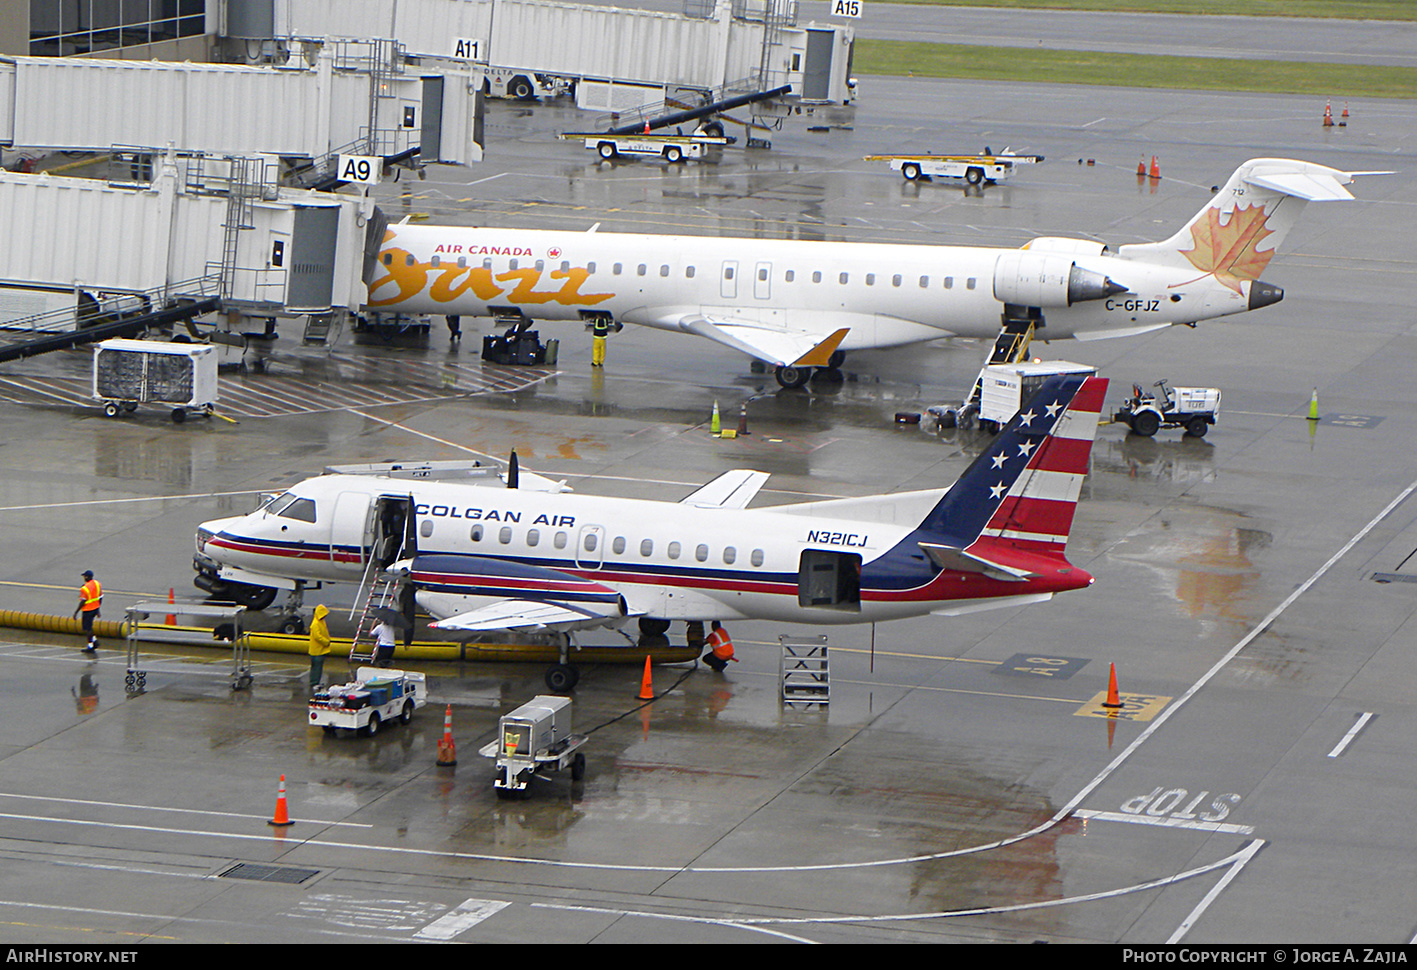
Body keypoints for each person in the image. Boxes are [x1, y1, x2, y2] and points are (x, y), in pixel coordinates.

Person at [72, 569, 102, 653]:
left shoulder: (85, 588)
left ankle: (90, 646)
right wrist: (98, 610)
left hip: (87, 610)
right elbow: (100, 597)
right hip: (95, 608)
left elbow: (83, 601)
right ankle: (95, 641)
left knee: (87, 628)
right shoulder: (97, 584)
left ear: (87, 577)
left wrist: (76, 612)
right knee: (90, 627)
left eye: (84, 576)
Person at [308, 604, 331, 692]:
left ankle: (314, 682)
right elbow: (317, 636)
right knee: (317, 667)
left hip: (318, 650)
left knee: (316, 667)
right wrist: (326, 642)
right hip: (317, 650)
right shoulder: (316, 624)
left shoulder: (319, 621)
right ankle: (315, 682)